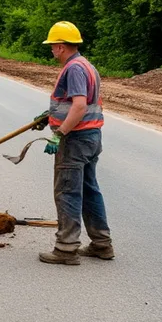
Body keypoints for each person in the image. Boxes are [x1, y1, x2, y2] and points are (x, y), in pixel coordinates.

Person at [38, 21, 114, 265]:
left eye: (52, 46)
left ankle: (66, 248)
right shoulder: (86, 65)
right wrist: (47, 116)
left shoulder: (74, 69)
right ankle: (102, 244)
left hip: (76, 139)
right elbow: (74, 103)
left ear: (61, 46)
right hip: (91, 138)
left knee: (67, 192)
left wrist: (59, 133)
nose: (51, 51)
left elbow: (80, 106)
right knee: (89, 190)